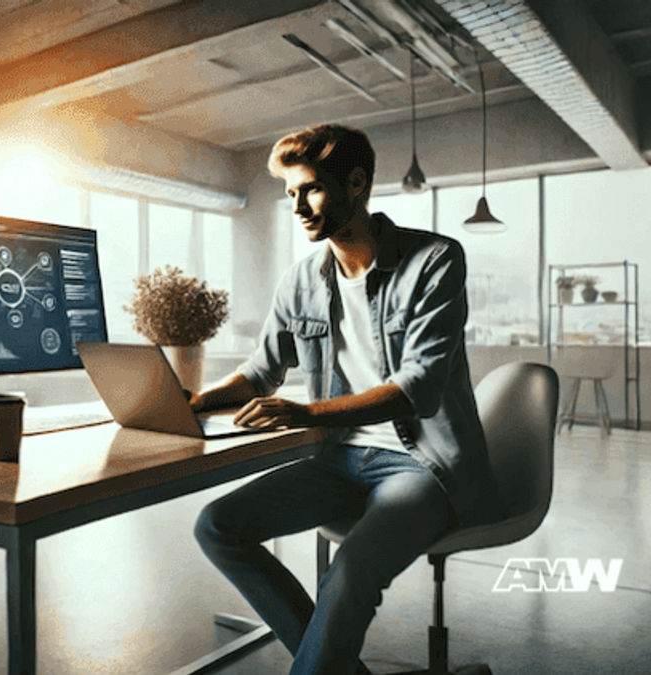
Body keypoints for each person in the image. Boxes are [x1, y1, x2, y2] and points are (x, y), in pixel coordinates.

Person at [190, 123, 500, 675]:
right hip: (339, 460)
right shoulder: (301, 281)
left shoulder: (434, 261)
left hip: (422, 465)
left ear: (356, 183)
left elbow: (419, 390)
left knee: (351, 570)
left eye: (309, 189)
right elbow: (260, 373)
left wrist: (305, 413)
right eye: (290, 194)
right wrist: (191, 403)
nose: (297, 206)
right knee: (217, 525)